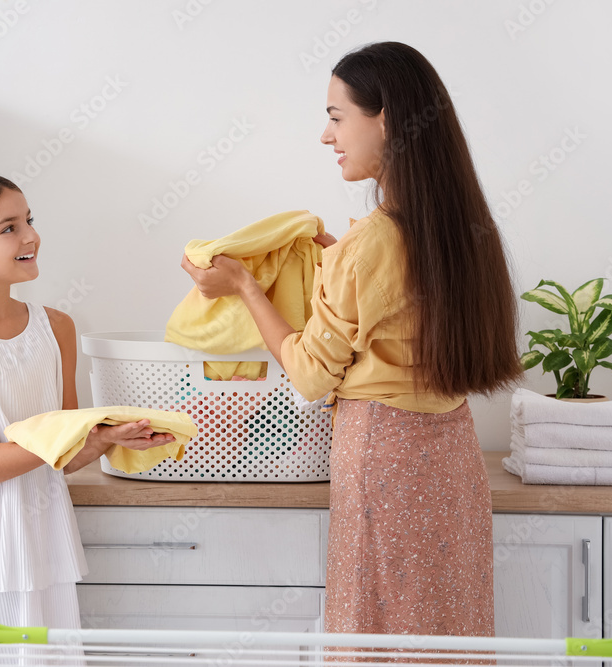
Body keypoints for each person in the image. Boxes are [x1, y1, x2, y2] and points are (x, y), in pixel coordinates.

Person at [181, 42, 521, 639]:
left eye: (336, 117)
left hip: (384, 456)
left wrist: (242, 285)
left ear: (384, 118)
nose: (326, 135)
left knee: (377, 622)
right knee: (447, 623)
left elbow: (311, 376)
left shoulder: (370, 245)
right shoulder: (462, 228)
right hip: (454, 455)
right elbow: (400, 311)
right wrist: (341, 264)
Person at [0, 174, 172, 664]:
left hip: (37, 535)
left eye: (30, 221)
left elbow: (59, 458)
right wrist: (79, 434)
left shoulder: (57, 327)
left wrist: (104, 439)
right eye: (9, 228)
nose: (31, 236)